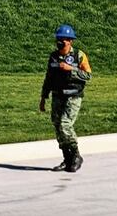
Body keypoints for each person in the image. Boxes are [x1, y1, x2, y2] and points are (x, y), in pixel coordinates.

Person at [40, 24, 92, 173]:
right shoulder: (54, 56)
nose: (60, 42)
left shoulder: (79, 56)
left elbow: (88, 76)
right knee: (57, 126)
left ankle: (76, 156)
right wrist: (43, 96)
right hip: (58, 96)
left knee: (65, 124)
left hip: (73, 96)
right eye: (59, 39)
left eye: (63, 39)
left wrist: (72, 69)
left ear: (70, 41)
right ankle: (67, 158)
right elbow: (49, 78)